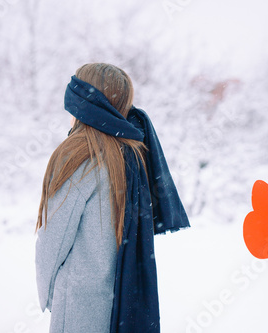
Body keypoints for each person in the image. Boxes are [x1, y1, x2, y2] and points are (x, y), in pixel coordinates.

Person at [35, 63, 189, 333]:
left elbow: (54, 239)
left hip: (79, 307)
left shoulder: (79, 154)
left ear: (80, 104)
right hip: (122, 301)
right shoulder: (133, 151)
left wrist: (47, 294)